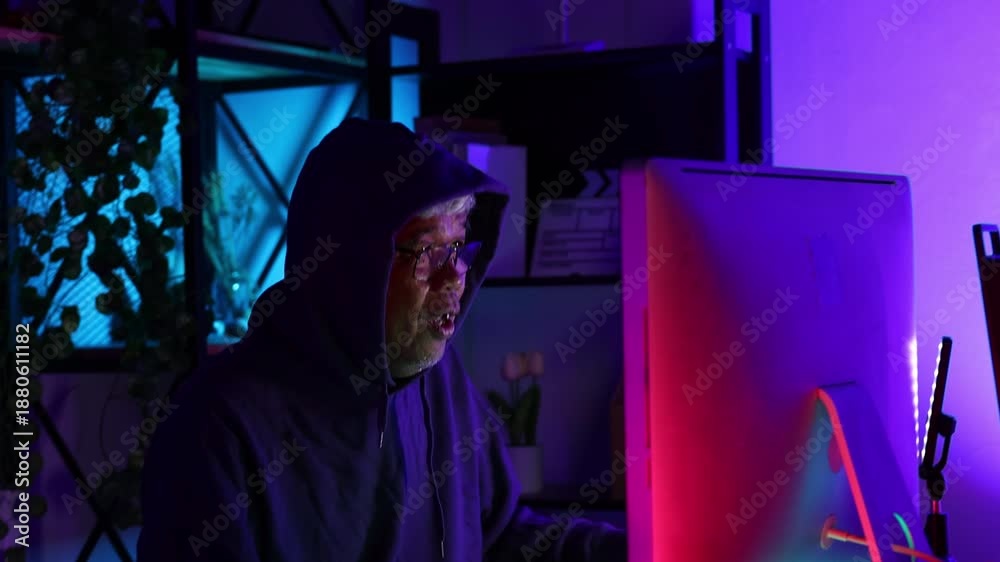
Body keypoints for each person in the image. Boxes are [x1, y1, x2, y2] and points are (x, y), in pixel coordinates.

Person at [136, 118, 626, 561]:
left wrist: (639, 548)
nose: (455, 275)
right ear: (348, 266)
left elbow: (500, 535)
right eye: (428, 251)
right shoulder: (216, 425)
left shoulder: (439, 378)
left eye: (458, 245)